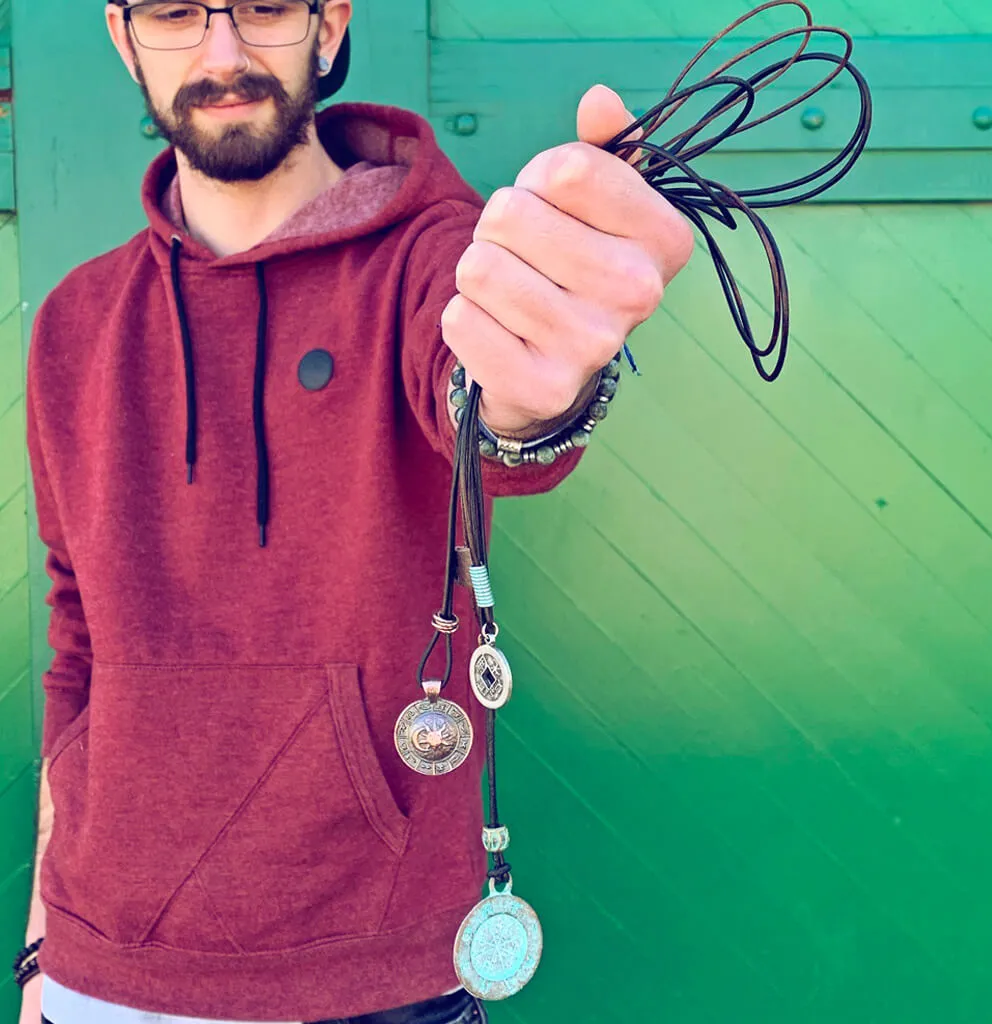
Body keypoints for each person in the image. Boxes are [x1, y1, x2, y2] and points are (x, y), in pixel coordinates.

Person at [15, 1, 693, 1022]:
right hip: (102, 970)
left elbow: (487, 399)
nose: (224, 52)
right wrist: (40, 943)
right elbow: (78, 645)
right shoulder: (76, 318)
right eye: (174, 13)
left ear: (330, 25)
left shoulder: (439, 260)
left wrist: (540, 387)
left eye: (266, 8)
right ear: (123, 39)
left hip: (376, 975)